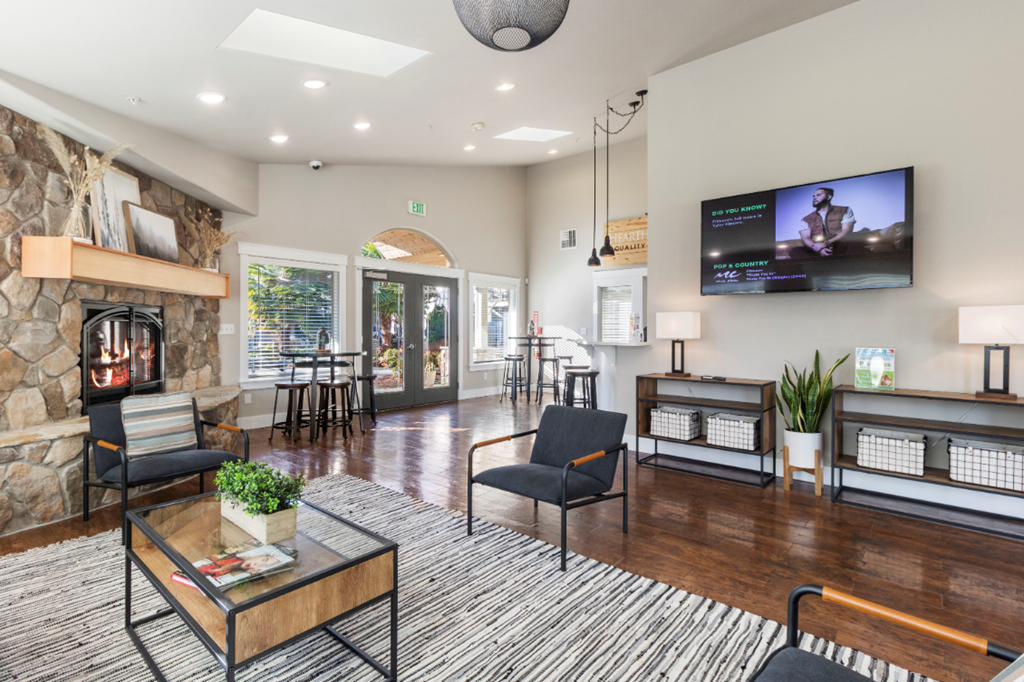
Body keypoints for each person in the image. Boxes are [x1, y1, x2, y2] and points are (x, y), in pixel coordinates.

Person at [789, 187, 856, 258]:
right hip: (817, 248)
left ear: (829, 197)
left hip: (838, 245)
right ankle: (822, 262)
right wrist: (819, 249)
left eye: (818, 195)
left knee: (854, 241)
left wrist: (827, 243)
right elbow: (806, 238)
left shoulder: (844, 210)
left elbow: (846, 231)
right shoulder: (806, 219)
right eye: (813, 196)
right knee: (795, 251)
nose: (814, 198)